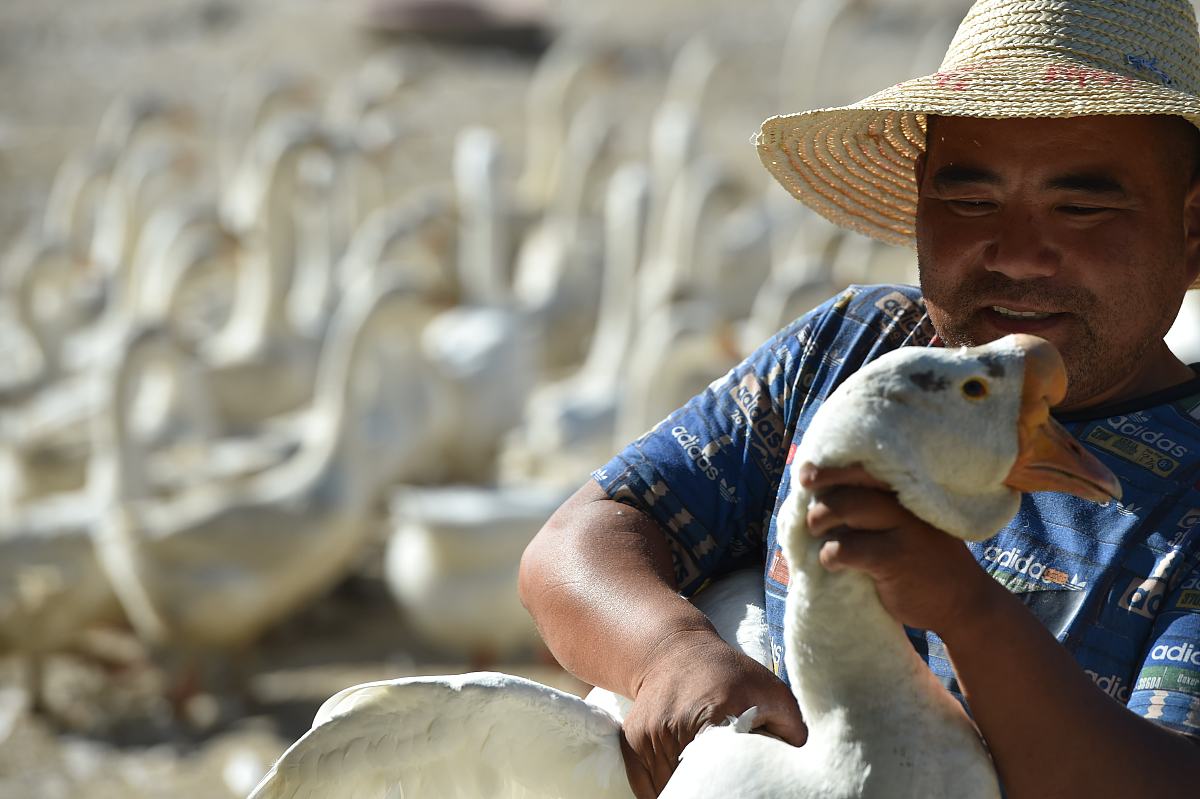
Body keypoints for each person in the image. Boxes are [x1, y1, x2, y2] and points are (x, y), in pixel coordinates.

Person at [519, 0, 1200, 796]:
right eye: (969, 200)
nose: (1016, 255)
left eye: (1081, 206)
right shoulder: (852, 349)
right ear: (919, 201)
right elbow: (579, 542)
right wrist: (672, 651)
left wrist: (967, 611)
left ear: (1192, 231)